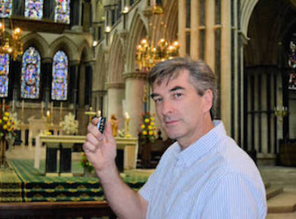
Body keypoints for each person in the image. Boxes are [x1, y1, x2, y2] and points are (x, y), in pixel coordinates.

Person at [83, 57, 267, 219]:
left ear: (206, 100)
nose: (165, 110)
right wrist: (106, 167)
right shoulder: (174, 153)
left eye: (177, 95)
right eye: (158, 99)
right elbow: (140, 211)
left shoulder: (228, 177)